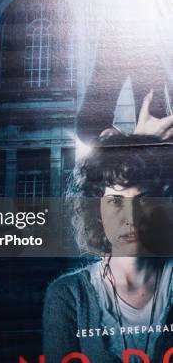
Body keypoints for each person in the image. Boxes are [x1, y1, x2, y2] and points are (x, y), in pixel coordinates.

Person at [43, 135, 173, 362]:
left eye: (142, 199)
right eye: (115, 201)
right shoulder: (69, 295)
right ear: (96, 209)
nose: (130, 218)